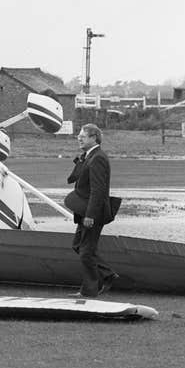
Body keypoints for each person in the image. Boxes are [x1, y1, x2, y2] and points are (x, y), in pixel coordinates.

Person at [66, 124, 119, 298]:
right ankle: (107, 275)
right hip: (84, 210)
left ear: (94, 138)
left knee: (86, 251)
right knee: (78, 246)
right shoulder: (90, 156)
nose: (79, 138)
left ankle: (89, 291)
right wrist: (81, 160)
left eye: (83, 136)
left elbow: (98, 191)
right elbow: (72, 179)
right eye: (79, 136)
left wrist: (90, 215)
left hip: (93, 213)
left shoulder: (98, 158)